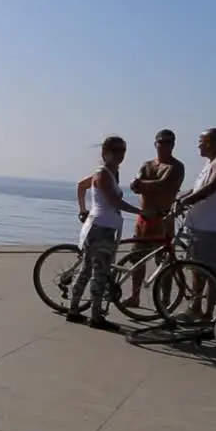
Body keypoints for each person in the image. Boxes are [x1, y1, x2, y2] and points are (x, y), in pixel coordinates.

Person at [67, 136, 143, 330]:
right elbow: (114, 202)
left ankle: (74, 309)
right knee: (98, 272)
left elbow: (82, 186)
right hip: (101, 228)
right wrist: (141, 212)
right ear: (105, 153)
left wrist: (84, 209)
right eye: (116, 150)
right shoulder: (102, 174)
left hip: (102, 226)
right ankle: (95, 315)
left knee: (88, 269)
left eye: (123, 150)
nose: (120, 154)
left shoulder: (110, 173)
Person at [174, 128, 216, 320]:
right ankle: (195, 307)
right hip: (197, 223)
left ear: (211, 142)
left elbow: (212, 187)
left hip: (211, 225)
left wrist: (188, 201)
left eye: (201, 142)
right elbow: (198, 187)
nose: (198, 146)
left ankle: (210, 313)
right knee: (197, 268)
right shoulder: (209, 163)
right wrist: (180, 197)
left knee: (209, 270)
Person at [123, 129, 185, 307]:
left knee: (165, 263)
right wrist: (143, 185)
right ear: (155, 144)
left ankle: (165, 301)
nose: (164, 145)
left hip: (163, 220)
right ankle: (135, 296)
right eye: (161, 142)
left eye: (168, 142)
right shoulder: (147, 164)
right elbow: (136, 185)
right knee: (137, 259)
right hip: (143, 220)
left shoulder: (176, 166)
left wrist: (143, 185)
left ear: (173, 145)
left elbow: (164, 184)